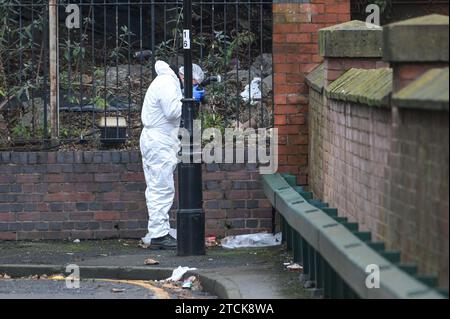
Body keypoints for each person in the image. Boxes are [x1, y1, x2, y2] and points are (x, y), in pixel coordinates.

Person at [139, 60, 182, 249]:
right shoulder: (167, 82)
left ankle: (159, 231)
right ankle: (159, 235)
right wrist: (190, 100)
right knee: (161, 188)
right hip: (159, 140)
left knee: (158, 186)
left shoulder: (165, 81)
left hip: (157, 139)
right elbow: (172, 112)